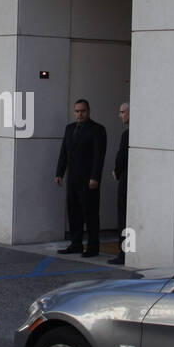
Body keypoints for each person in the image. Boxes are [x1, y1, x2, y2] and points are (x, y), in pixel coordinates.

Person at [55, 99, 107, 257]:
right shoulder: (70, 129)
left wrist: (95, 177)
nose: (80, 114)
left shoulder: (97, 129)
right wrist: (59, 172)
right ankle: (76, 243)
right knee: (73, 211)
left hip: (89, 179)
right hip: (73, 178)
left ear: (89, 111)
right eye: (77, 111)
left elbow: (99, 156)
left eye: (83, 111)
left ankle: (93, 247)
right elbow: (64, 152)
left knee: (90, 213)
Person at [108, 102, 129, 264]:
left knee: (123, 217)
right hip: (130, 179)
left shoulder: (127, 134)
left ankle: (124, 253)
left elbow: (121, 156)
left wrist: (116, 170)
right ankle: (128, 251)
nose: (120, 115)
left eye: (123, 112)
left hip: (125, 179)